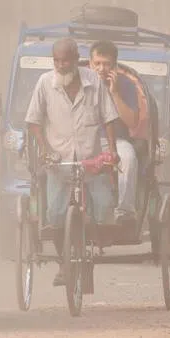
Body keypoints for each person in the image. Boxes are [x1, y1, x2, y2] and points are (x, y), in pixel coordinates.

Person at [24, 38, 120, 286]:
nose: (61, 65)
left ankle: (87, 253)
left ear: (77, 59)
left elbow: (109, 118)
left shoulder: (94, 82)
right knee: (55, 215)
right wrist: (45, 150)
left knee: (104, 208)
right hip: (59, 163)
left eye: (66, 60)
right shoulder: (45, 83)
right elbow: (34, 121)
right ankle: (64, 261)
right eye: (56, 60)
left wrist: (112, 151)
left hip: (91, 160)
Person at [88, 39, 140, 225]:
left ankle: (124, 211)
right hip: (85, 140)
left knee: (128, 157)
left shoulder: (125, 84)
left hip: (117, 141)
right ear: (90, 63)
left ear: (114, 65)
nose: (101, 68)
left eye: (107, 64)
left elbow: (132, 122)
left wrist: (115, 93)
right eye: (97, 64)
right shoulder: (81, 82)